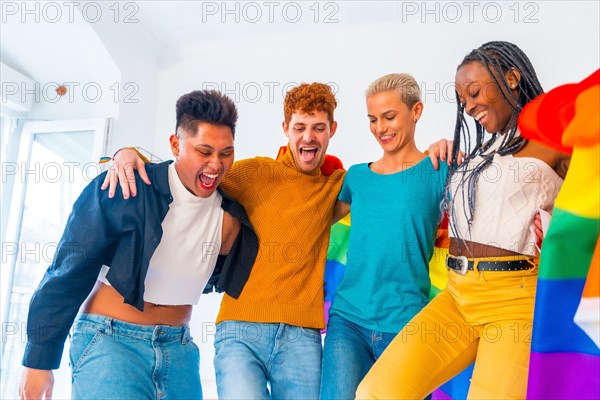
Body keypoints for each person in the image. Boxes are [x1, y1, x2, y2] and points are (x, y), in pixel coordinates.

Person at [356, 41, 569, 399]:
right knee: (377, 392)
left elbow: (590, 204)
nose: (469, 107)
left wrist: (559, 228)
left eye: (474, 93)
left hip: (514, 301)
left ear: (512, 78)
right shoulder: (480, 151)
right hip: (457, 294)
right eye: (462, 99)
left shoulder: (556, 142)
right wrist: (438, 152)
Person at [105, 82, 346, 399]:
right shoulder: (258, 172)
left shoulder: (338, 187)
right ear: (286, 128)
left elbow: (389, 178)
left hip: (302, 336)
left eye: (318, 128)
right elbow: (184, 174)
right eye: (300, 127)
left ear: (332, 130)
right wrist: (126, 153)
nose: (308, 137)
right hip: (240, 330)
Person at [18, 90, 258, 400]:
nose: (216, 163)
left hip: (179, 349)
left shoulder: (230, 215)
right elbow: (68, 270)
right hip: (111, 341)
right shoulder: (127, 186)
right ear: (176, 144)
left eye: (226, 153)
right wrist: (38, 359)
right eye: (204, 150)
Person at [320, 73, 448, 399]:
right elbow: (313, 219)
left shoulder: (439, 171)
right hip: (348, 321)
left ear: (416, 110)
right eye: (373, 119)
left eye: (390, 117)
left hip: (408, 323)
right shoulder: (357, 177)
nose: (381, 128)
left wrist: (453, 145)